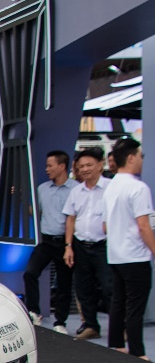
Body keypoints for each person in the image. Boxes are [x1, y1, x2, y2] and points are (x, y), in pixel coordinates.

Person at [103, 138, 155, 359]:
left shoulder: (111, 185)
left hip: (115, 254)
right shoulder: (138, 187)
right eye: (141, 156)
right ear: (131, 157)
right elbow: (144, 226)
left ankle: (117, 346)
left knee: (119, 302)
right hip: (135, 256)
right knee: (135, 307)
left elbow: (104, 225)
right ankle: (137, 352)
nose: (142, 160)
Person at [62, 146, 111, 341]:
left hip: (104, 246)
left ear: (101, 165)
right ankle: (91, 325)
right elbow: (70, 219)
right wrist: (68, 246)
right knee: (83, 288)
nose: (84, 169)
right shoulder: (76, 191)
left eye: (89, 165)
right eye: (81, 166)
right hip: (81, 245)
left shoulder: (111, 188)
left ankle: (119, 327)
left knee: (110, 288)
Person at [22, 151, 74, 331]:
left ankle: (60, 321)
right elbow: (36, 211)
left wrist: (69, 245)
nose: (47, 169)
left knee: (64, 284)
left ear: (62, 166)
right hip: (46, 241)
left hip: (66, 243)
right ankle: (34, 311)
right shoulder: (42, 189)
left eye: (50, 165)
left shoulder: (75, 189)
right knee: (30, 273)